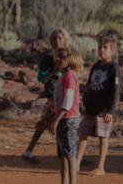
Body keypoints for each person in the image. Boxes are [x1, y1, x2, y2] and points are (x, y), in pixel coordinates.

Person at [22, 28, 71, 164]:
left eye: (60, 38)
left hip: (65, 95)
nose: (57, 40)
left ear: (65, 39)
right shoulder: (48, 58)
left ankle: (29, 151)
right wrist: (54, 71)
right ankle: (71, 154)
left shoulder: (69, 57)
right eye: (54, 38)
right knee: (49, 122)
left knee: (54, 122)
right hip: (52, 95)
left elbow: (75, 74)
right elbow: (40, 78)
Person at [76, 36, 121, 176]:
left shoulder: (114, 68)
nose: (102, 50)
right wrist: (86, 100)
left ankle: (100, 167)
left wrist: (111, 111)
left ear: (112, 50)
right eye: (100, 47)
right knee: (83, 134)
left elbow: (116, 90)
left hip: (104, 111)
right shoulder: (95, 66)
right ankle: (76, 163)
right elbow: (90, 85)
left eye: (105, 48)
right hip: (91, 108)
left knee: (103, 137)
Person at [48, 48, 83, 184]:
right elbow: (60, 102)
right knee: (63, 154)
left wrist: (55, 121)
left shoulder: (70, 75)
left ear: (71, 59)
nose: (58, 59)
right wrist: (50, 118)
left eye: (62, 57)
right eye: (57, 56)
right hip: (62, 118)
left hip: (69, 120)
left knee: (69, 153)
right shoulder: (62, 76)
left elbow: (68, 101)